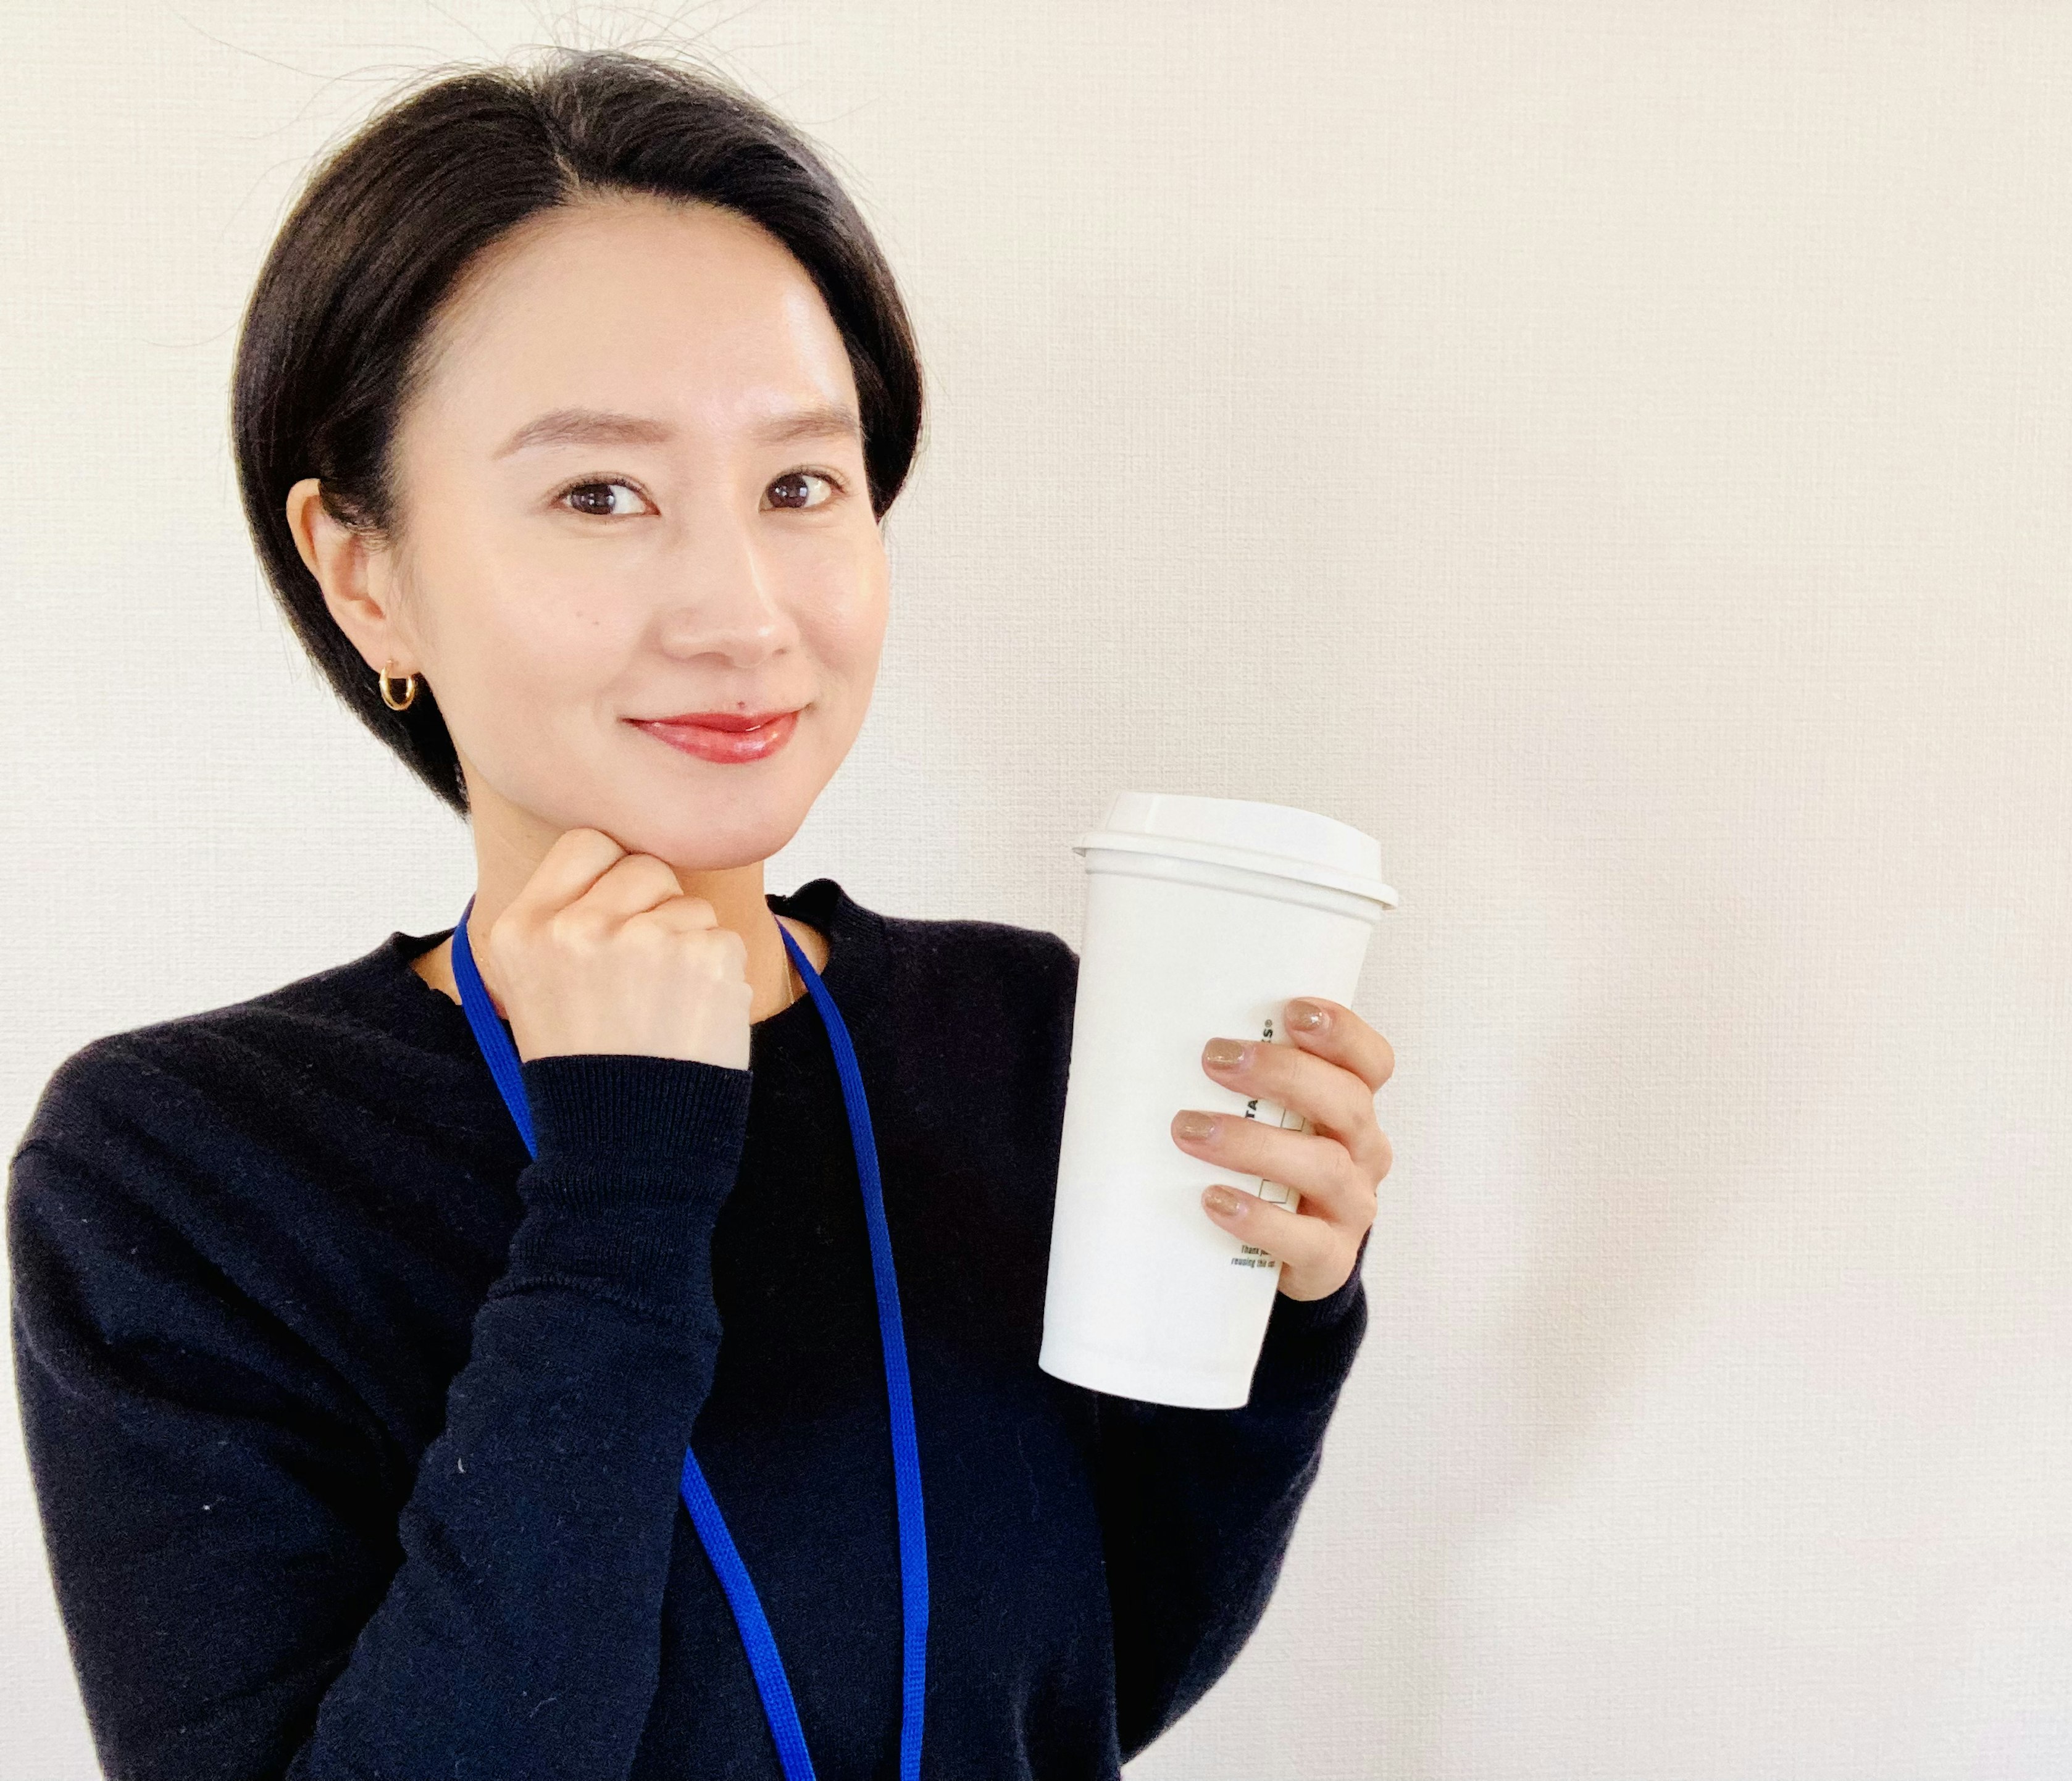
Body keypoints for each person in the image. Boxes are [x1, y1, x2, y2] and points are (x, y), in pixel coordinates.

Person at [5, 46, 1396, 1781]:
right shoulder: (183, 1171)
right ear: (364, 567)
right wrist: (623, 1182)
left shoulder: (1019, 1038)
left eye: (800, 486)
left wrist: (1271, 1323)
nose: (743, 614)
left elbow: (1080, 1689)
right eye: (602, 495)